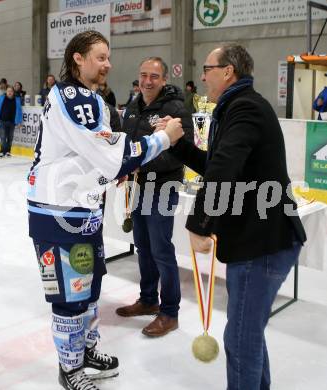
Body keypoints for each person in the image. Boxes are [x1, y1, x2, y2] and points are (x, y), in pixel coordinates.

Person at [26, 31, 183, 390]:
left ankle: (86, 350)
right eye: (100, 56)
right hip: (59, 213)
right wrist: (162, 139)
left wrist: (117, 164)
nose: (108, 64)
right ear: (78, 58)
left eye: (108, 57)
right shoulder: (70, 95)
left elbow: (99, 154)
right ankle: (70, 368)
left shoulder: (90, 98)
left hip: (83, 209)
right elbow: (109, 156)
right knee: (70, 296)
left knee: (90, 286)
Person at [162, 44, 306, 390]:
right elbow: (219, 163)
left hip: (264, 245)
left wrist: (199, 222)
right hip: (257, 241)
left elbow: (223, 168)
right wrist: (180, 145)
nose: (203, 75)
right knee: (248, 333)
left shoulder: (245, 108)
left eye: (208, 68)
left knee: (241, 337)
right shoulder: (235, 108)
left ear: (228, 71)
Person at [115, 57, 194, 337]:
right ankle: (148, 299)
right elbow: (128, 144)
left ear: (163, 79)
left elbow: (180, 152)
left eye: (154, 77)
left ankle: (170, 312)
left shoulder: (175, 108)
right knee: (143, 245)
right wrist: (124, 167)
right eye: (143, 75)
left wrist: (140, 164)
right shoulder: (134, 106)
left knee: (161, 248)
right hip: (139, 186)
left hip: (164, 186)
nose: (147, 82)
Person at [0, 85, 22, 158]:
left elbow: (19, 111)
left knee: (10, 137)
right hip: (2, 120)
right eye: (8, 91)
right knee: (3, 136)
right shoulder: (1, 98)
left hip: (12, 121)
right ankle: (2, 151)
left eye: (11, 91)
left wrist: (19, 121)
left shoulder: (17, 99)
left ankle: (8, 151)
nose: (9, 93)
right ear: (6, 92)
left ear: (13, 92)